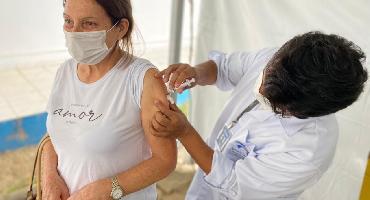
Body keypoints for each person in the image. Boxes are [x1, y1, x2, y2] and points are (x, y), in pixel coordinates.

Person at [150, 32, 368, 199]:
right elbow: (224, 68)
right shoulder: (282, 61)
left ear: (302, 112)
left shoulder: (308, 150)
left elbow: (231, 182)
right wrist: (196, 73)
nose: (260, 88)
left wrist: (185, 132)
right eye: (265, 75)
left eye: (271, 102)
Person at [41, 0, 177, 199]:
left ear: (120, 28)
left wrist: (108, 188)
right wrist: (49, 176)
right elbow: (55, 135)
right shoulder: (64, 72)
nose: (74, 32)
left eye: (89, 24)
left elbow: (165, 161)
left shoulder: (142, 79)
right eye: (68, 21)